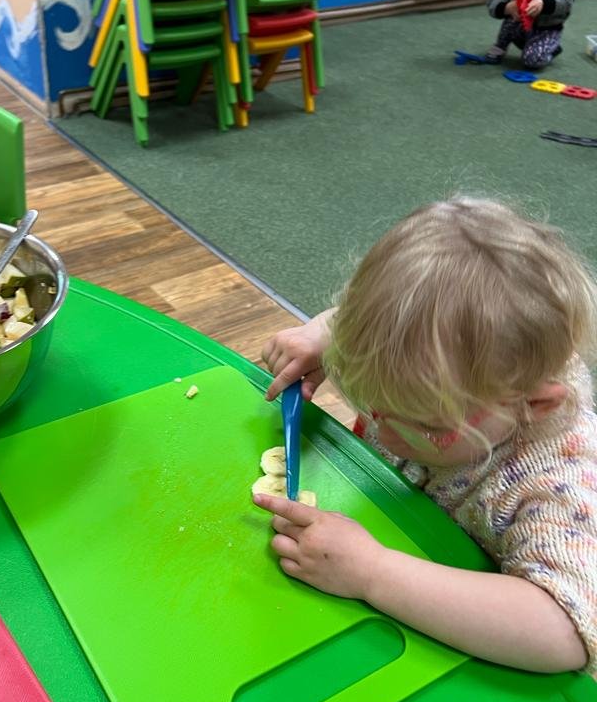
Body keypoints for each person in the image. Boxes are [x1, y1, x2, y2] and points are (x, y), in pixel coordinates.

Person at [256, 197, 597, 676]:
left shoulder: (559, 481)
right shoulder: (436, 369)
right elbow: (368, 321)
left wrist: (372, 572)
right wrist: (325, 337)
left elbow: (563, 633)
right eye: (372, 401)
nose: (383, 431)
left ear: (532, 406)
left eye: (427, 426)